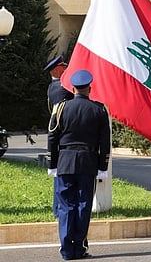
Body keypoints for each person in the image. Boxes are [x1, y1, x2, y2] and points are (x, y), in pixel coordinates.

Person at [47, 69, 111, 260]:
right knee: (83, 205)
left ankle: (67, 250)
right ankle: (80, 246)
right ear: (89, 89)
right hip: (88, 162)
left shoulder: (60, 108)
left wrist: (52, 163)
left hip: (65, 162)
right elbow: (104, 142)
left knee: (66, 205)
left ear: (72, 88)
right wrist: (102, 167)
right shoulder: (98, 110)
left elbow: (52, 137)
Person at [44, 55, 74, 219]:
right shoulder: (62, 87)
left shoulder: (52, 87)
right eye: (63, 67)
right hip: (64, 135)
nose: (66, 69)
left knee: (59, 173)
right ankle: (59, 208)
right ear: (56, 70)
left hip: (58, 134)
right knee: (62, 175)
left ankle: (58, 207)